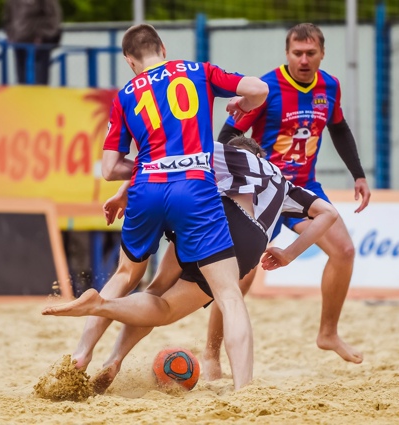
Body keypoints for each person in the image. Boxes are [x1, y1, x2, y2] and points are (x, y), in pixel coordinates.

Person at [44, 24, 268, 390]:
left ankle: (82, 353)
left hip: (146, 190)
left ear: (129, 60)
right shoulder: (199, 71)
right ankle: (243, 389)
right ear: (162, 47)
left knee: (125, 276)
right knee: (228, 294)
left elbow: (109, 169)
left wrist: (151, 165)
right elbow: (259, 89)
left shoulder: (125, 96)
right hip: (194, 189)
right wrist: (242, 106)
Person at [43, 135, 340, 394]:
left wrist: (124, 191)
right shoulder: (284, 183)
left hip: (215, 216)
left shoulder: (229, 153)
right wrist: (289, 253)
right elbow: (328, 213)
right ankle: (111, 347)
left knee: (156, 290)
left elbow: (166, 155)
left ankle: (105, 317)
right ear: (260, 155)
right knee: (173, 309)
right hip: (251, 241)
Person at [202, 22, 371, 380]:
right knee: (240, 279)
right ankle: (211, 355)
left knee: (344, 251)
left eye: (311, 53)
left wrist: (358, 174)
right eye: (297, 53)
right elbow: (228, 136)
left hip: (303, 188)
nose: (304, 60)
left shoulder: (330, 86)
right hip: (264, 189)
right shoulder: (267, 89)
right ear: (287, 54)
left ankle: (328, 334)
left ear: (322, 54)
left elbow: (339, 128)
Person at [3, 0, 62, 85]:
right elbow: (7, 17)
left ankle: (39, 91)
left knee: (40, 79)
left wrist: (42, 36)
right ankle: (23, 91)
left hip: (40, 44)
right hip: (19, 41)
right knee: (21, 78)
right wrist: (10, 35)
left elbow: (53, 18)